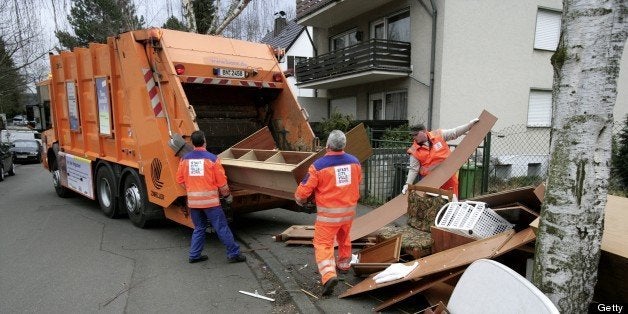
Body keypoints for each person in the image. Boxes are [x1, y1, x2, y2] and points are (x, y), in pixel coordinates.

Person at [295, 130, 362, 296]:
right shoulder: (355, 162)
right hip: (348, 212)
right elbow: (356, 182)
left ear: (327, 146)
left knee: (323, 244)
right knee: (344, 237)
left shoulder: (318, 166)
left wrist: (299, 199)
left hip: (328, 216)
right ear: (344, 145)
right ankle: (344, 265)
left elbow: (304, 191)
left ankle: (328, 275)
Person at [176, 130, 246, 264]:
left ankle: (194, 255)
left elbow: (180, 180)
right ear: (204, 141)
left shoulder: (184, 159)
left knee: (199, 228)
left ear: (192, 143)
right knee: (221, 227)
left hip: (194, 204)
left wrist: (191, 190)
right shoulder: (212, 159)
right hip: (211, 204)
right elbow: (222, 184)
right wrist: (228, 197)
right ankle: (234, 253)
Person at [402, 118, 480, 197]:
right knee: (434, 205)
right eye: (412, 135)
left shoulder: (438, 134)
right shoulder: (414, 150)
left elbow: (455, 132)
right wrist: (408, 184)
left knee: (452, 201)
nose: (413, 137)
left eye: (415, 134)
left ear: (424, 132)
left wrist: (469, 126)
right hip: (430, 181)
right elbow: (413, 169)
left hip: (448, 176)